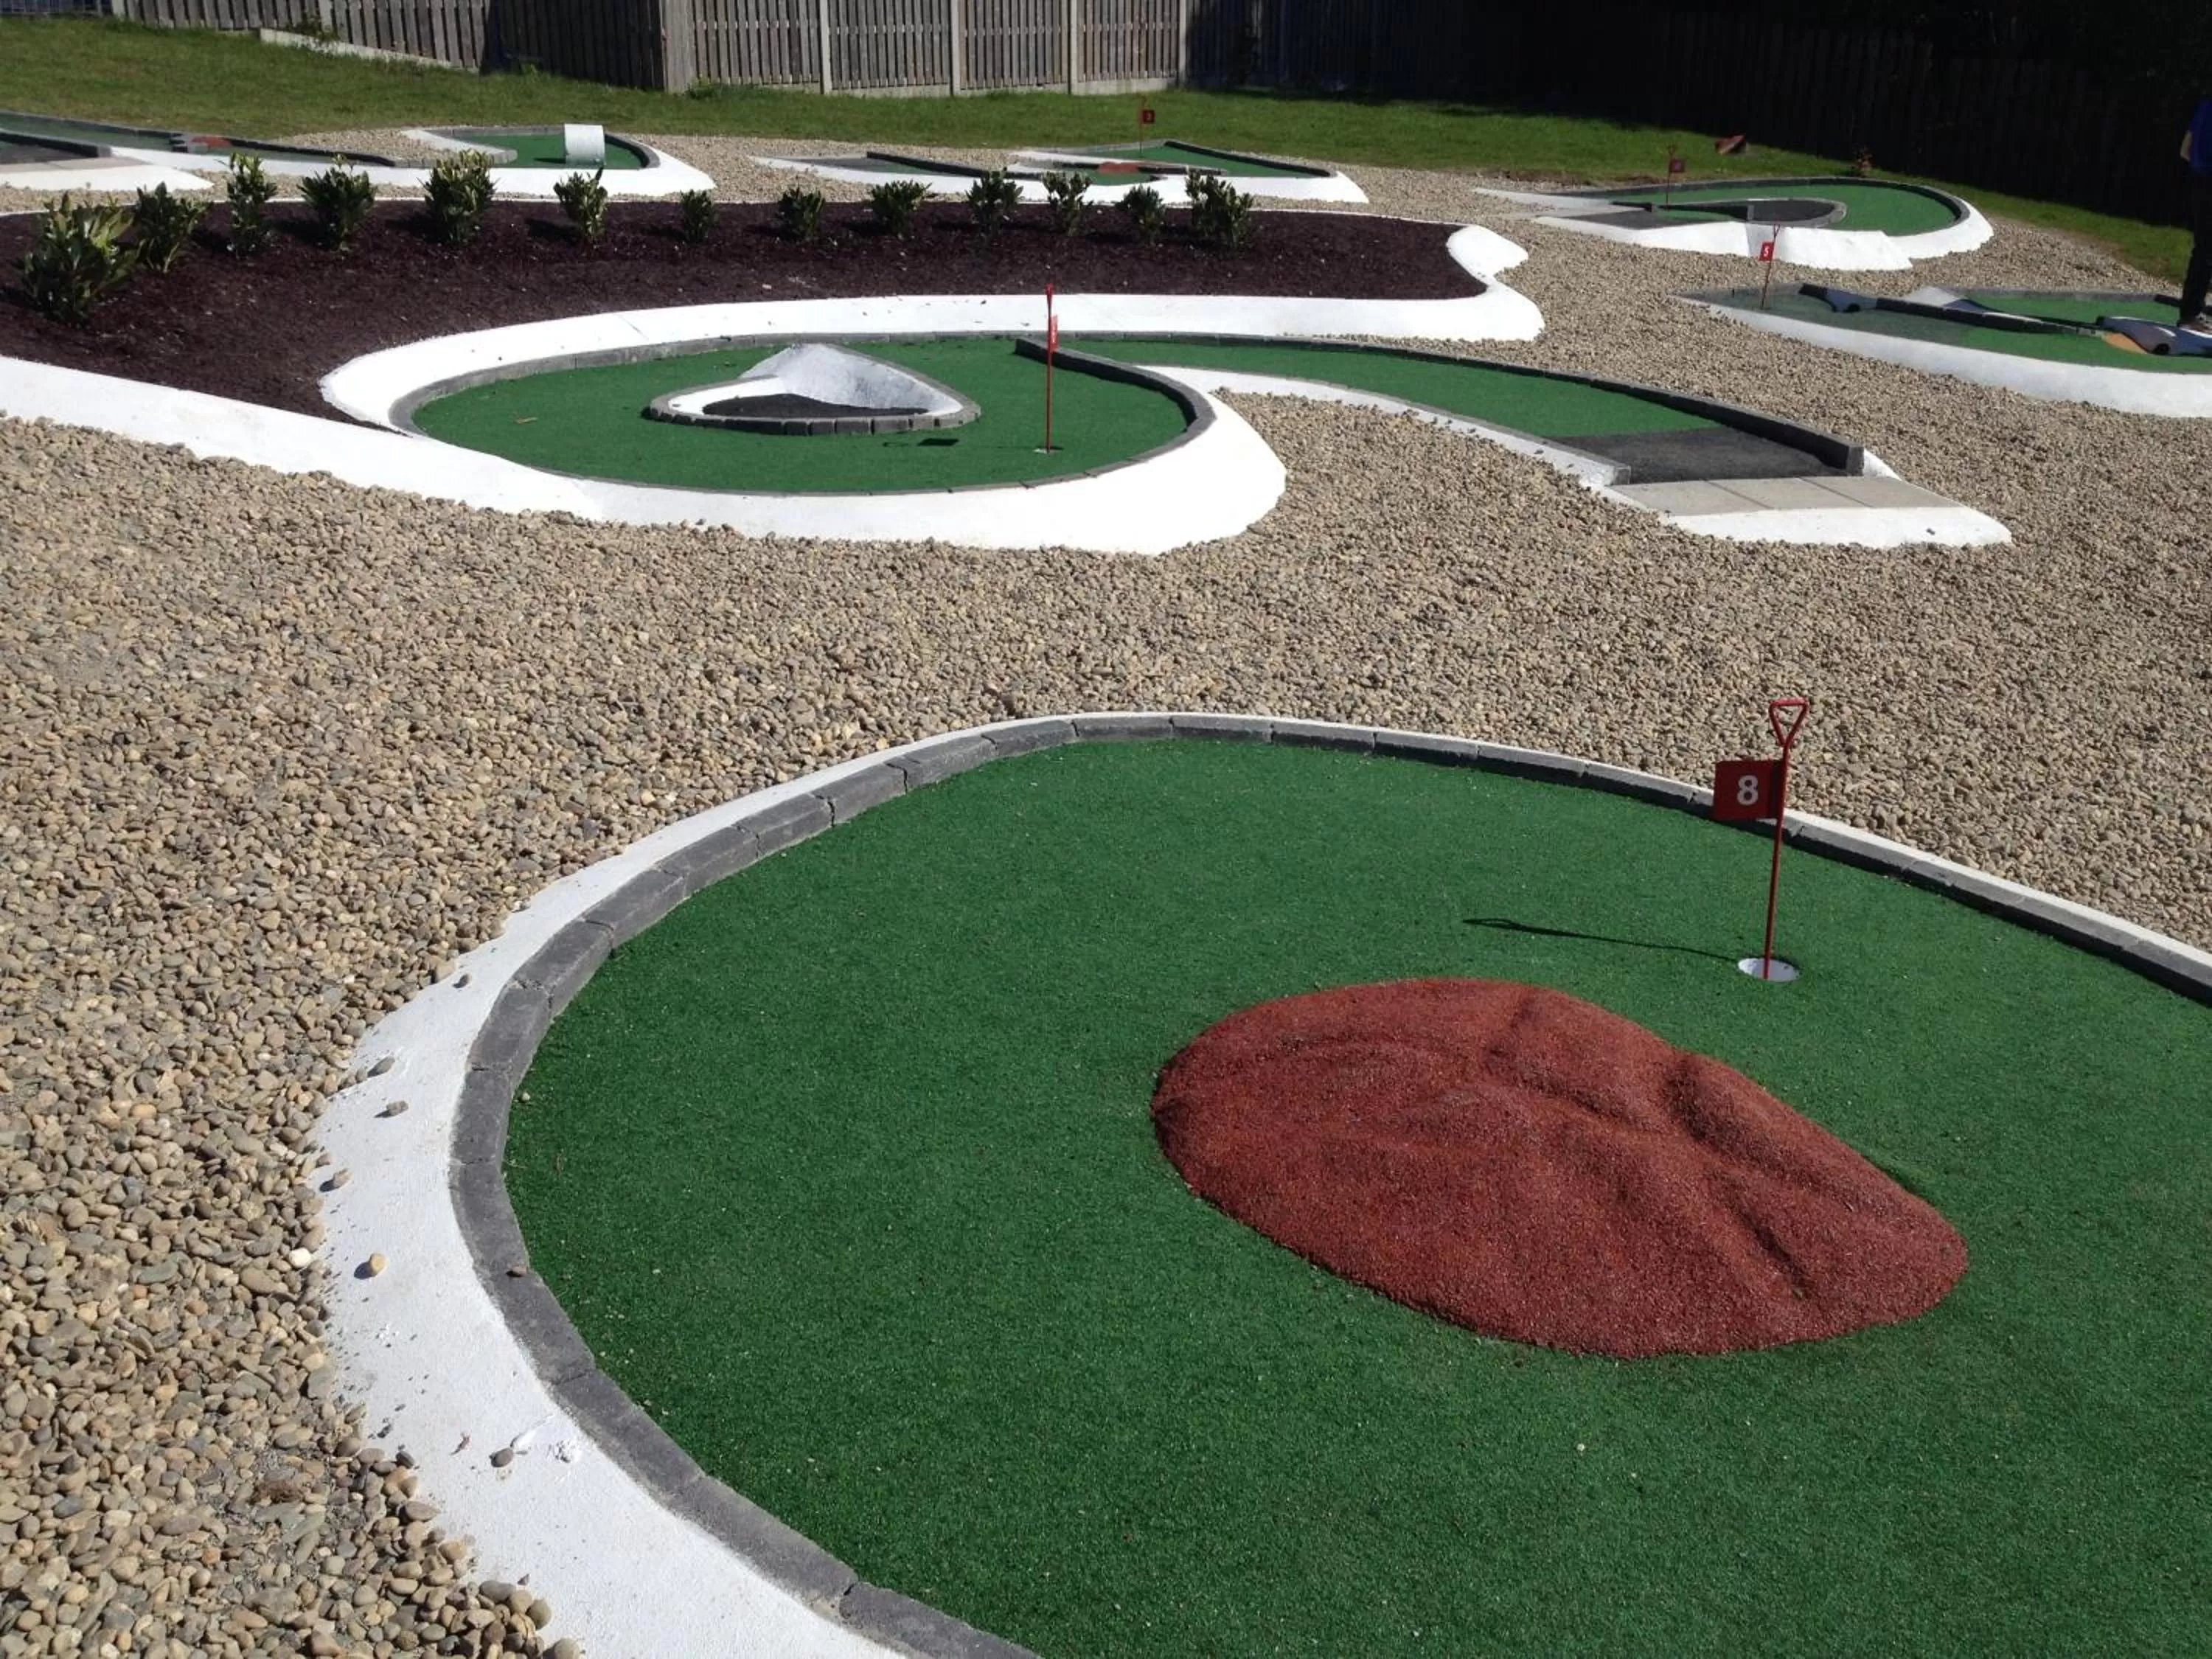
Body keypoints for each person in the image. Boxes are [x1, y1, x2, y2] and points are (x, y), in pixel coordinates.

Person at [2183, 93, 2212, 333]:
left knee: (2203, 250)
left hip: (2199, 182)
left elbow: (2185, 150)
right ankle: (2192, 314)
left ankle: (2190, 313)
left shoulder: (2205, 107)